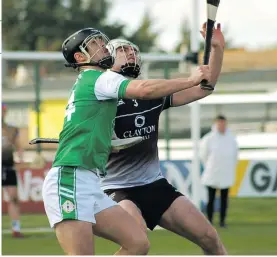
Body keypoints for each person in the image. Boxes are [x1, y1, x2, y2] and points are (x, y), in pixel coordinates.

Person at [42, 27, 212, 255]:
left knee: (138, 243)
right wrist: (191, 79)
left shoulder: (94, 82)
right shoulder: (96, 77)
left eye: (102, 41)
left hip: (90, 181)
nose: (103, 46)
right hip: (71, 178)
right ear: (80, 58)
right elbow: (144, 89)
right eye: (94, 44)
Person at [102, 23, 227, 255]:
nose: (131, 53)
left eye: (133, 51)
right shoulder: (101, 94)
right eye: (122, 51)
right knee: (137, 241)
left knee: (209, 237)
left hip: (153, 184)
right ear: (107, 59)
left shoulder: (153, 93)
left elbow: (205, 87)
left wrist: (217, 49)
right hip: (114, 187)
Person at [200, 115, 238, 228]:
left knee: (224, 199)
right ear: (216, 124)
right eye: (220, 123)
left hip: (226, 173)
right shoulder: (209, 138)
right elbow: (203, 155)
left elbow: (235, 155)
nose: (222, 125)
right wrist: (210, 166)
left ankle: (222, 221)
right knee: (211, 198)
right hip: (212, 173)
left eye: (223, 123)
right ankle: (210, 221)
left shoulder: (231, 139)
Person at [2, 103, 24, 238]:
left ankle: (16, 229)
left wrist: (21, 156)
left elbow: (19, 147)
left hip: (8, 166)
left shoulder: (11, 129)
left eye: (3, 111)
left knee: (14, 199)